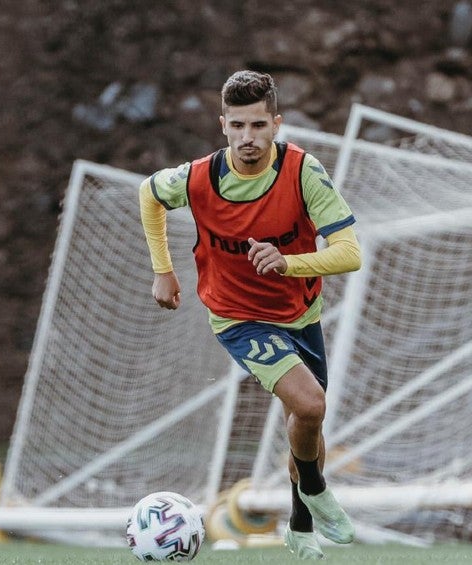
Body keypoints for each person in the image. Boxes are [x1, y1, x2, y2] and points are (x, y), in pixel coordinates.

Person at [139, 70, 361, 559]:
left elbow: (349, 253)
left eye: (258, 126)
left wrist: (289, 263)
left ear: (276, 124)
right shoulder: (198, 177)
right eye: (237, 126)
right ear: (223, 125)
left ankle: (301, 527)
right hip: (237, 317)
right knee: (309, 404)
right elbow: (149, 193)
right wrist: (163, 271)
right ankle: (317, 492)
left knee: (308, 425)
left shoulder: (304, 172)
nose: (247, 138)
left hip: (301, 313)